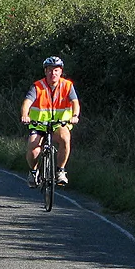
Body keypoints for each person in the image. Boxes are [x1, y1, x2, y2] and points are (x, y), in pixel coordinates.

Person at [20, 56, 80, 187]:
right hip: (39, 123)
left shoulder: (67, 86)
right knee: (34, 147)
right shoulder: (37, 86)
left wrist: (75, 115)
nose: (53, 73)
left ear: (61, 71)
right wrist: (25, 115)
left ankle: (60, 171)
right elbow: (27, 102)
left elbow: (75, 102)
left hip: (59, 123)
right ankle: (33, 172)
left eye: (56, 70)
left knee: (65, 138)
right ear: (45, 71)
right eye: (50, 70)